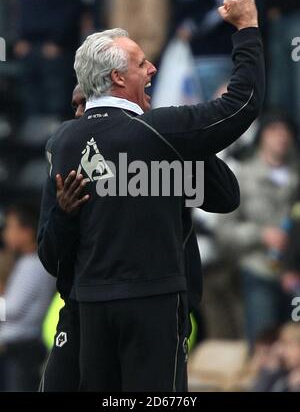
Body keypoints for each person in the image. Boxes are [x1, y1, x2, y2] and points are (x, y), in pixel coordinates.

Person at [38, 0, 265, 391]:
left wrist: (63, 214)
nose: (152, 67)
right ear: (118, 79)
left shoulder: (63, 142)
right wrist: (247, 31)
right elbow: (242, 103)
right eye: (141, 63)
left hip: (90, 307)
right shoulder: (159, 130)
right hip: (153, 305)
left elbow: (49, 254)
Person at [38, 86, 241, 391]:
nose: (82, 114)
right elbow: (50, 256)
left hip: (155, 308)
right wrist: (64, 216)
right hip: (83, 310)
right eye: (77, 107)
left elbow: (225, 196)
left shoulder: (160, 156)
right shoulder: (66, 156)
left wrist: (177, 138)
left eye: (88, 104)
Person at [216, 112, 300, 348]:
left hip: (293, 274)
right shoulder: (243, 176)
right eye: (275, 131)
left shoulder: (296, 176)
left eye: (286, 132)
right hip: (258, 270)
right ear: (262, 135)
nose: (281, 137)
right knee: (263, 345)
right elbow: (225, 231)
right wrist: (261, 235)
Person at [0, 203, 55, 391]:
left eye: (10, 226)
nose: (5, 233)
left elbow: (12, 309)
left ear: (27, 231)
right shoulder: (28, 261)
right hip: (19, 349)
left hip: (22, 350)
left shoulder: (33, 264)